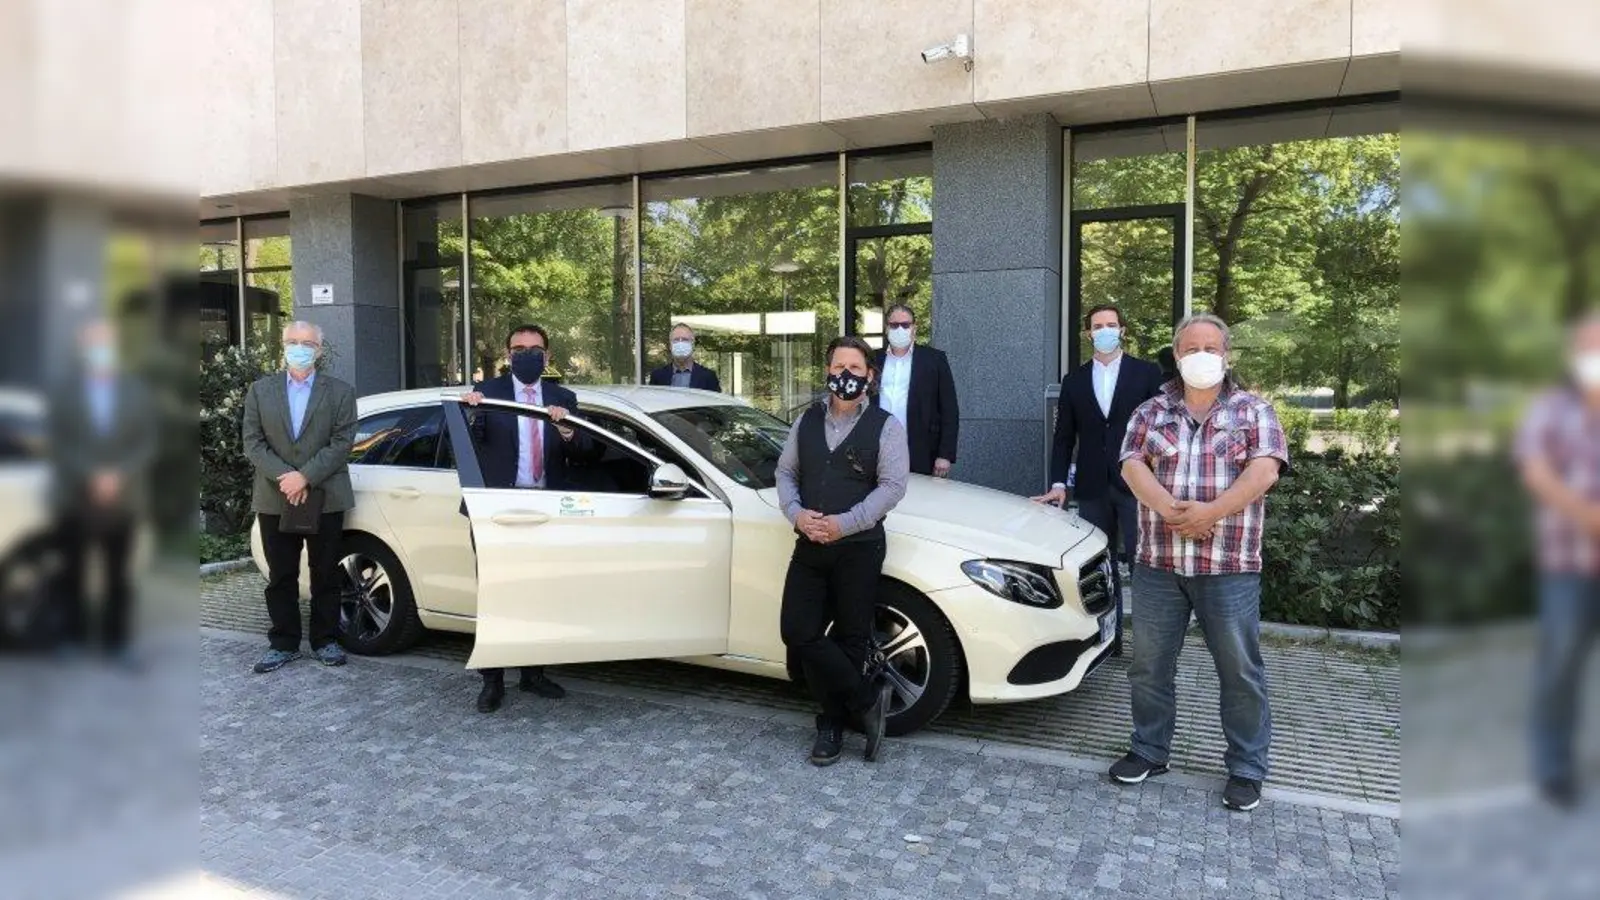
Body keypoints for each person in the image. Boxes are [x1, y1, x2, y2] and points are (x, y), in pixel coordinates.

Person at [1108, 313, 1288, 813]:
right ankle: (1149, 750)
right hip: (1159, 563)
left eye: (1212, 346)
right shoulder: (1151, 411)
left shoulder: (1255, 410)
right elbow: (1130, 464)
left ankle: (1247, 768)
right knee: (1148, 667)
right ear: (1177, 355)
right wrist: (1172, 512)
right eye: (1192, 348)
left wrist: (1211, 512)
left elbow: (1265, 469)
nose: (1202, 355)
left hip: (1228, 564)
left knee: (1239, 671)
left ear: (1227, 355)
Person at [776, 336, 909, 766]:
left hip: (859, 547)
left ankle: (831, 724)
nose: (845, 376)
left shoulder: (887, 426)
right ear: (827, 372)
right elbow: (785, 472)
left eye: (855, 369)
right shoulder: (807, 421)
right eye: (838, 367)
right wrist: (796, 514)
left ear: (870, 376)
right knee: (798, 631)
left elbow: (892, 488)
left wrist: (843, 523)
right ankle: (867, 698)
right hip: (810, 544)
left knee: (851, 638)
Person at [460, 323, 593, 713]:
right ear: (508, 354)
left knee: (539, 593)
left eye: (535, 349)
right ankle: (492, 680)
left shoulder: (563, 396)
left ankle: (533, 674)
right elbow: (466, 446)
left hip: (546, 511)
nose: (526, 354)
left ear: (547, 356)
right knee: (496, 595)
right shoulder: (488, 394)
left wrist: (567, 429)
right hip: (496, 510)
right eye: (519, 349)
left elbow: (586, 451)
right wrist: (469, 414)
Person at [1032, 303, 1164, 645]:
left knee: (1142, 564)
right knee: (1099, 567)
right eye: (1097, 325)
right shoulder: (1074, 380)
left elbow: (1162, 431)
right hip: (1091, 487)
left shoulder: (1147, 373)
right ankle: (1111, 639)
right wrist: (1059, 483)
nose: (1104, 330)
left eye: (1111, 324)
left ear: (1122, 330)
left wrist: (1159, 478)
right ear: (1089, 333)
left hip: (1138, 485)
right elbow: (1063, 439)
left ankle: (1150, 645)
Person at [1515, 312, 1600, 809]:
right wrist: (1588, 517)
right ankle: (1554, 767)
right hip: (1568, 565)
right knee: (1560, 670)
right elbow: (1535, 471)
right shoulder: (1550, 408)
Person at [241, 321, 358, 674]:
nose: (300, 347)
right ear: (282, 345)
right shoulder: (260, 391)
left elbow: (342, 442)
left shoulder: (340, 392)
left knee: (325, 573)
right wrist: (286, 478)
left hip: (325, 494)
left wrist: (304, 476)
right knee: (281, 576)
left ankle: (326, 640)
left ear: (319, 350)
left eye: (307, 343)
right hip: (274, 496)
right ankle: (283, 643)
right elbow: (252, 442)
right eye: (293, 341)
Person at [48, 317, 157, 666]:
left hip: (123, 499)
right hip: (74, 497)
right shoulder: (64, 390)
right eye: (93, 343)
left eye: (105, 343)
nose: (100, 351)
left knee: (118, 575)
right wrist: (92, 474)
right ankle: (73, 639)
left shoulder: (135, 389)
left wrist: (117, 475)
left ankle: (117, 643)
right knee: (71, 572)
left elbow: (147, 441)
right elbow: (58, 440)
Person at [871, 304, 959, 478]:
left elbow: (949, 409)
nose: (900, 329)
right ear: (887, 328)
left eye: (905, 325)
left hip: (922, 449)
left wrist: (945, 454)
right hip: (877, 447)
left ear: (914, 328)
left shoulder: (934, 360)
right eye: (894, 325)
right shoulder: (873, 360)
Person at [647, 323, 721, 391]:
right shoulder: (658, 376)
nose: (680, 343)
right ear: (670, 346)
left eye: (685, 340)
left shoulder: (708, 377)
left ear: (693, 345)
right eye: (676, 340)